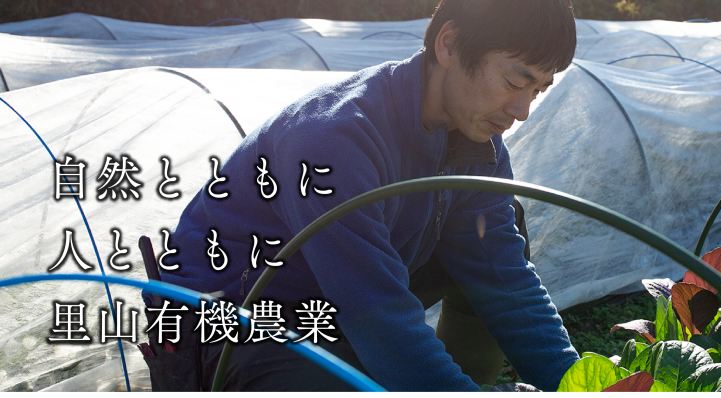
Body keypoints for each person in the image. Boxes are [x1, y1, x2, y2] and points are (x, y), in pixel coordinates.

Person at [141, 0, 580, 393]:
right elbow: (375, 310)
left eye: (538, 90)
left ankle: (461, 377)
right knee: (340, 377)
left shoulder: (476, 145)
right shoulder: (333, 139)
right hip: (234, 320)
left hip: (337, 296)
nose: (522, 111)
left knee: (500, 228)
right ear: (449, 44)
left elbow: (507, 278)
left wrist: (578, 384)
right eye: (513, 81)